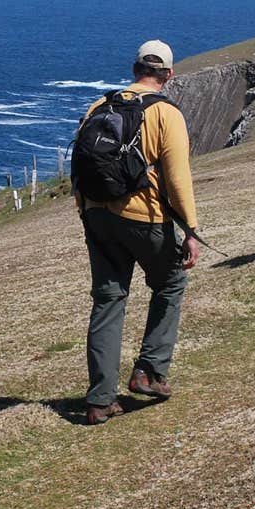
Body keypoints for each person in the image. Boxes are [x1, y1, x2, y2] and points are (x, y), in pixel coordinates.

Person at [75, 39, 200, 425]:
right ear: (168, 74)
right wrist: (191, 229)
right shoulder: (166, 114)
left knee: (108, 299)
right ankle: (149, 370)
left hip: (97, 214)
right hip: (143, 217)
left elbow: (79, 165)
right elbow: (177, 178)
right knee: (169, 283)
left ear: (134, 70)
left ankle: (99, 400)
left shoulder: (100, 106)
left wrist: (86, 212)